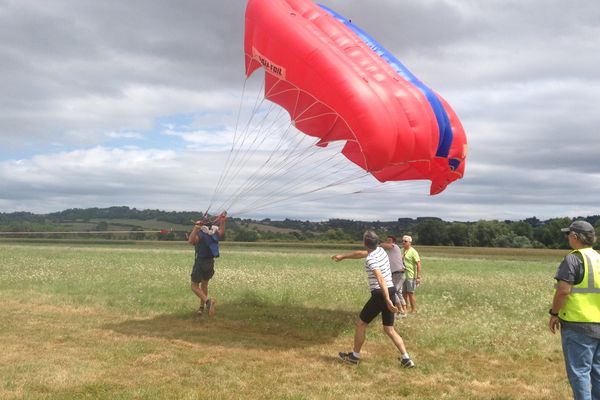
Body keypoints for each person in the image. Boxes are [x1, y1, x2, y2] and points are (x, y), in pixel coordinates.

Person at [332, 230, 415, 368]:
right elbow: (361, 254)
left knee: (361, 324)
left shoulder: (371, 259)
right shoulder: (381, 251)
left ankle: (354, 357)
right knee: (389, 329)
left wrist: (387, 300)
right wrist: (343, 256)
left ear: (365, 243)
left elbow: (380, 278)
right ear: (376, 242)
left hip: (380, 294)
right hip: (391, 290)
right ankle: (406, 358)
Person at [549, 220, 600, 400]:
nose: (567, 238)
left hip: (578, 324)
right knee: (598, 371)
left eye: (568, 234)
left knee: (579, 372)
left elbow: (563, 290)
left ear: (575, 237)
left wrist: (554, 314)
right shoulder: (598, 258)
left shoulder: (573, 258)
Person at [188, 211, 227, 316]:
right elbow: (222, 231)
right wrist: (222, 221)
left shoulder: (201, 234)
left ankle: (207, 301)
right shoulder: (215, 234)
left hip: (200, 262)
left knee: (194, 286)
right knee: (204, 284)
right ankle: (202, 307)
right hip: (210, 262)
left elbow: (191, 241)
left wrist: (196, 228)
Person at [380, 235, 408, 317]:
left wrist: (379, 244)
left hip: (399, 274)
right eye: (387, 240)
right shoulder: (389, 252)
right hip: (396, 274)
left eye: (389, 240)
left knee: (392, 292)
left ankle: (400, 311)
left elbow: (386, 245)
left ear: (394, 242)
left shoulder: (395, 247)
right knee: (398, 293)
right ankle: (404, 311)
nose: (388, 242)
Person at [401, 235, 421, 314]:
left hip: (410, 276)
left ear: (410, 242)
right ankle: (405, 309)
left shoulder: (413, 251)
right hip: (402, 275)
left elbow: (418, 264)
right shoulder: (401, 250)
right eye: (402, 241)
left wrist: (418, 277)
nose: (403, 242)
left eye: (405, 241)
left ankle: (414, 310)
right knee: (403, 293)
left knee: (410, 293)